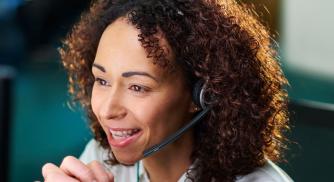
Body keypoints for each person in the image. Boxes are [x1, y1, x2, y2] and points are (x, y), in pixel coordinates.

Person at [42, 0, 293, 181]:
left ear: (202, 93)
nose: (107, 110)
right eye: (102, 80)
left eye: (137, 87)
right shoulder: (101, 159)